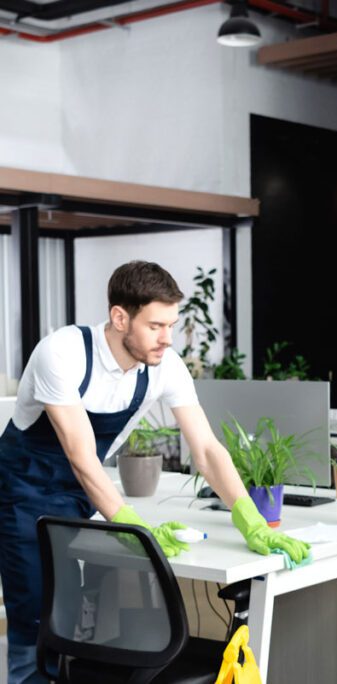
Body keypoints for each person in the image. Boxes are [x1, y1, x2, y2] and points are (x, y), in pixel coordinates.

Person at [0, 261, 310, 684]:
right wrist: (133, 527)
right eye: (156, 325)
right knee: (35, 621)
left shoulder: (164, 365)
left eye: (172, 324)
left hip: (82, 498)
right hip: (22, 493)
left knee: (78, 620)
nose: (168, 338)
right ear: (119, 317)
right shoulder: (64, 353)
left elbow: (205, 448)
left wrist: (249, 518)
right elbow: (81, 456)